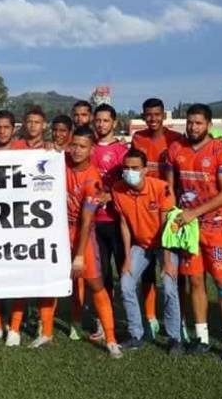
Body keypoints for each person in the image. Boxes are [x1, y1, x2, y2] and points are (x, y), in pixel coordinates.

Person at [36, 126, 121, 356]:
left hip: (82, 233)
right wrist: (48, 147)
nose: (77, 150)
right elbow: (45, 153)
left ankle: (111, 340)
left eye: (83, 146)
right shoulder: (59, 161)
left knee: (95, 284)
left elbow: (86, 220)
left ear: (92, 149)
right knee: (50, 281)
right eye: (74, 145)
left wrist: (80, 254)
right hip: (56, 232)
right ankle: (46, 333)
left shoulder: (92, 178)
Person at [165, 103, 222, 358]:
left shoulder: (220, 150)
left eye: (198, 123)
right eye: (190, 122)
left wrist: (194, 212)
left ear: (208, 125)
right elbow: (171, 187)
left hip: (215, 227)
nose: (193, 127)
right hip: (189, 230)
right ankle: (202, 337)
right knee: (195, 281)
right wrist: (174, 214)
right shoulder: (176, 149)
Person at [113, 148, 181, 354]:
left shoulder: (161, 187)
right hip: (140, 245)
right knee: (125, 284)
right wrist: (126, 258)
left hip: (164, 244)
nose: (129, 171)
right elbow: (124, 224)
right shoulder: (117, 189)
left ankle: (174, 337)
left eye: (134, 168)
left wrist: (167, 260)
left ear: (145, 170)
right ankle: (136, 334)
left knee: (169, 287)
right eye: (126, 168)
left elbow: (167, 226)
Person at [128, 98, 183, 340]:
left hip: (167, 206)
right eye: (148, 115)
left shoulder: (174, 138)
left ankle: (179, 323)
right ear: (143, 116)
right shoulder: (138, 138)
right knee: (147, 272)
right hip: (142, 207)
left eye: (157, 114)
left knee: (175, 271)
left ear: (164, 115)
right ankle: (150, 318)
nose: (153, 119)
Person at [0, 110, 29, 345]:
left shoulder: (25, 150)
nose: (1, 131)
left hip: (19, 222)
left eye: (6, 127)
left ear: (13, 129)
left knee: (18, 276)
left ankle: (16, 328)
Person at [89, 103, 128, 334]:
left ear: (114, 123)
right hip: (94, 222)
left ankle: (133, 320)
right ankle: (104, 322)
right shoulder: (88, 147)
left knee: (125, 273)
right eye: (98, 120)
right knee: (102, 274)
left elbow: (129, 184)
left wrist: (110, 195)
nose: (101, 124)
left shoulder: (122, 151)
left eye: (106, 120)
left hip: (118, 221)